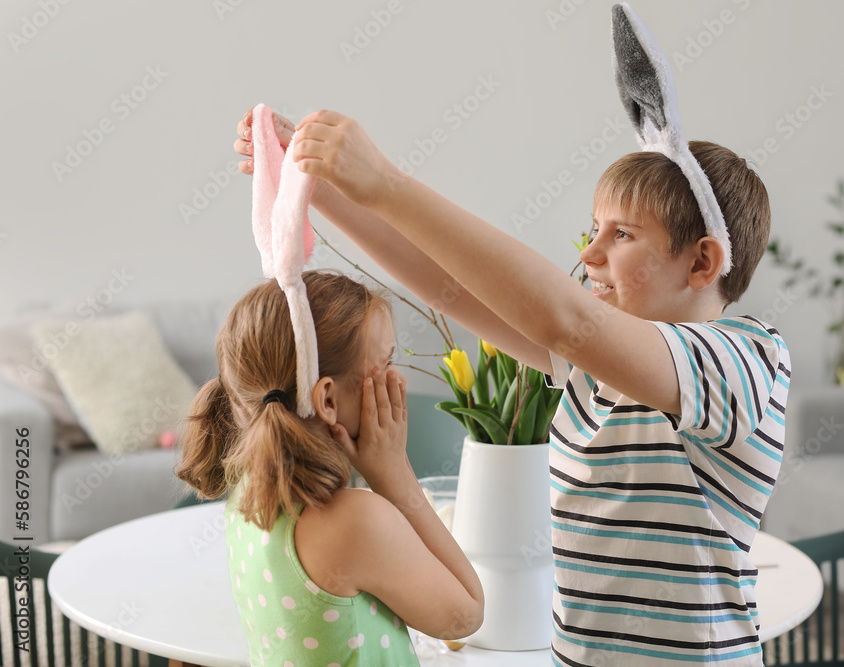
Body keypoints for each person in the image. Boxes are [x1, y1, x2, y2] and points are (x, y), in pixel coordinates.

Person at [230, 10, 785, 665]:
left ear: (702, 263)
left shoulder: (745, 361)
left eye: (623, 235)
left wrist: (387, 183)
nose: (592, 250)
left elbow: (567, 319)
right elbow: (449, 288)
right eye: (594, 228)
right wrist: (322, 188)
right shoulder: (593, 370)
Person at [175, 271, 485, 666]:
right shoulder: (357, 521)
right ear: (328, 400)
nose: (397, 378)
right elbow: (466, 614)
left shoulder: (248, 496)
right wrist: (393, 474)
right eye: (385, 363)